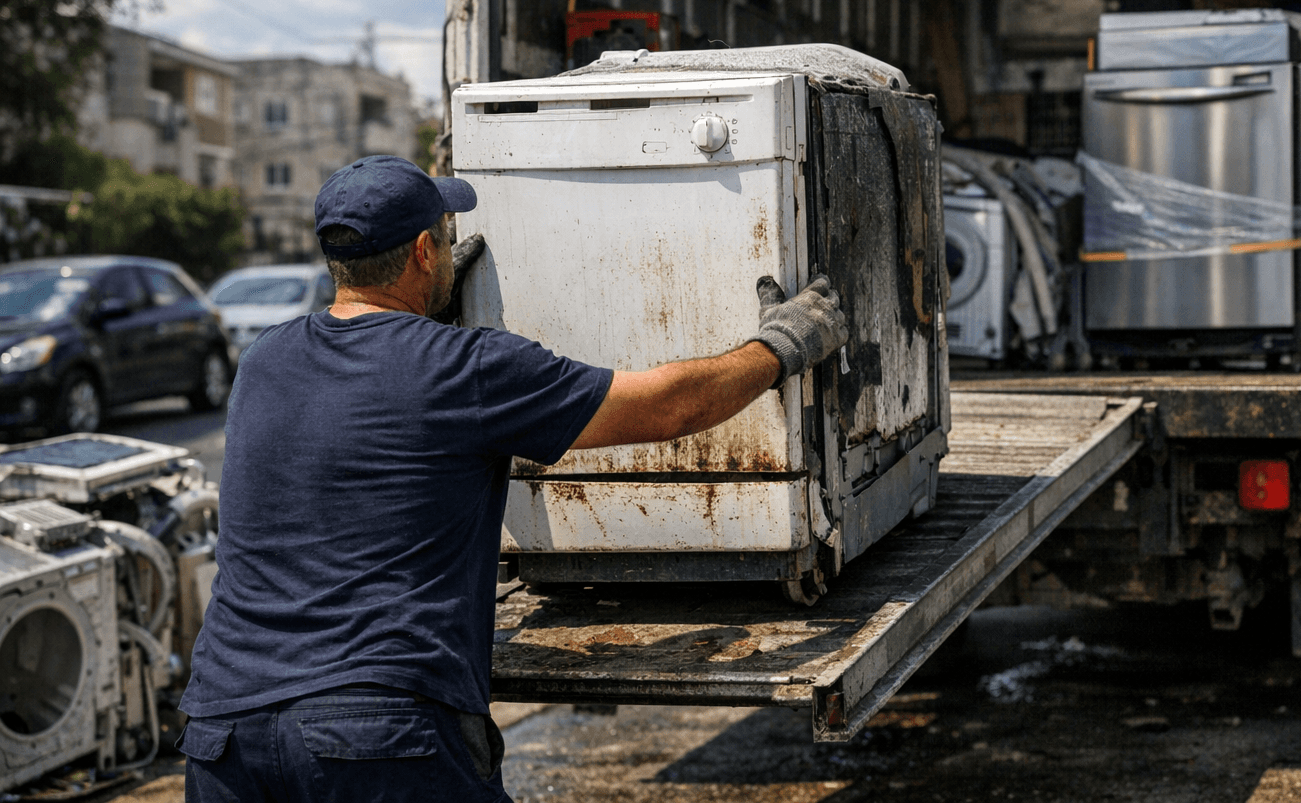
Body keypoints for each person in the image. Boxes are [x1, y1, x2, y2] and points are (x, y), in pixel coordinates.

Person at [177, 155, 848, 802]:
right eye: (445, 234)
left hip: (225, 733)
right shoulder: (467, 369)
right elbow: (668, 407)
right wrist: (782, 347)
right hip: (377, 731)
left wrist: (425, 322)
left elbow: (357, 430)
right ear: (421, 252)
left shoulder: (264, 360)